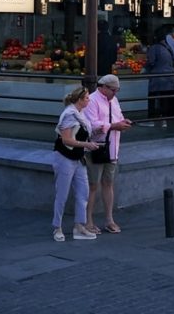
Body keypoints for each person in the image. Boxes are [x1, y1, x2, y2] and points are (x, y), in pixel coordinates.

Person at [51, 85, 100, 242]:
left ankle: (79, 226)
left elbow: (83, 133)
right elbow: (66, 140)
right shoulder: (69, 115)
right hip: (65, 156)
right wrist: (87, 145)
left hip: (78, 158)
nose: (89, 100)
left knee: (83, 192)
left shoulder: (81, 114)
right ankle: (57, 227)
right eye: (86, 98)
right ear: (79, 100)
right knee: (62, 194)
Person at [84, 74, 132, 234]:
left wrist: (124, 122)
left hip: (112, 148)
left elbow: (118, 116)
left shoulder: (114, 100)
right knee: (92, 185)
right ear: (103, 87)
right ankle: (88, 220)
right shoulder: (91, 100)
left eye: (117, 90)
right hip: (97, 147)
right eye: (113, 90)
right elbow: (92, 125)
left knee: (108, 183)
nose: (115, 93)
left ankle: (109, 220)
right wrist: (113, 126)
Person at [143, 27, 174, 126]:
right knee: (165, 99)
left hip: (158, 76)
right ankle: (165, 119)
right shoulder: (168, 47)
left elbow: (151, 62)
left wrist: (145, 69)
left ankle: (152, 119)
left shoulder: (154, 48)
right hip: (170, 76)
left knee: (153, 97)